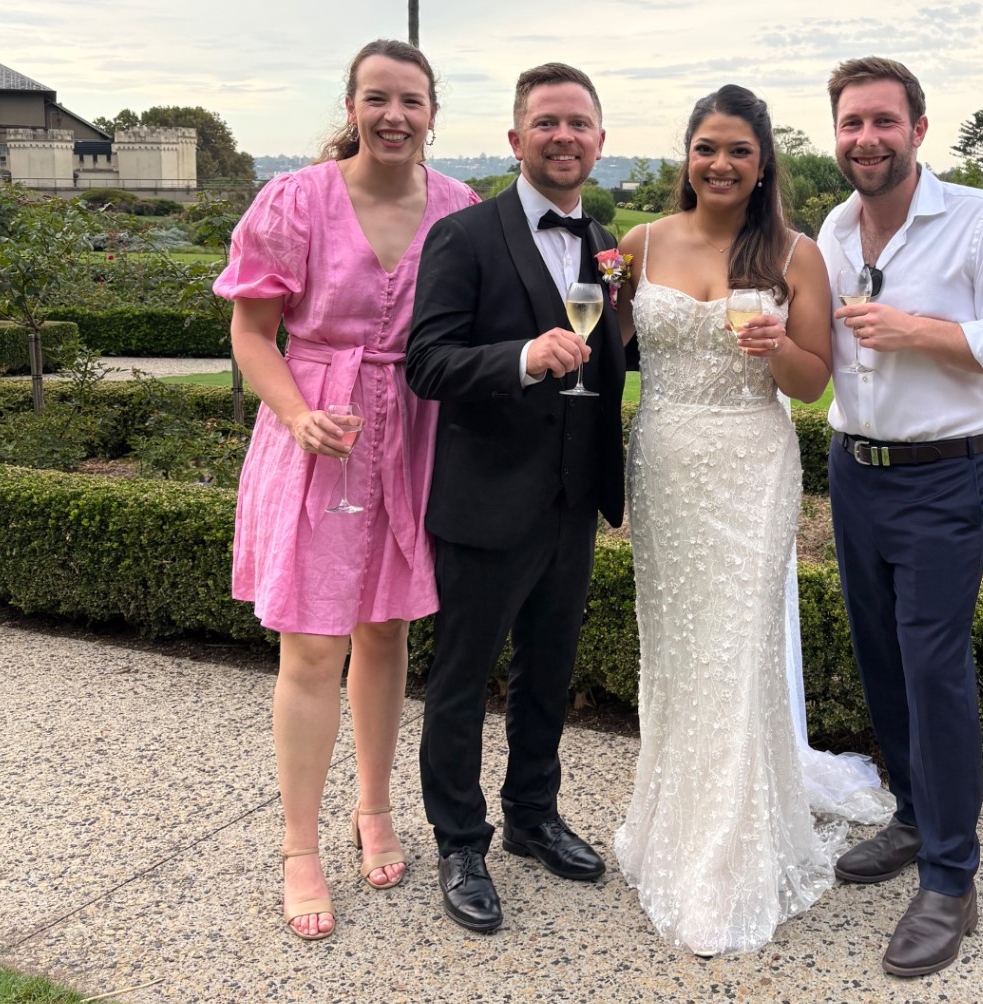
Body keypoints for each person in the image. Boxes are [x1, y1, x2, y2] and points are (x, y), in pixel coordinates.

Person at [213, 39, 479, 941]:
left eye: (411, 100)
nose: (394, 115)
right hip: (318, 433)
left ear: (434, 111)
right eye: (377, 98)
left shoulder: (458, 208)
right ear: (353, 106)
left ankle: (373, 806)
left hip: (414, 432)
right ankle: (298, 846)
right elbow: (253, 335)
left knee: (387, 629)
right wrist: (294, 414)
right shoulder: (292, 200)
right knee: (315, 646)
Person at [818, 57, 983, 977]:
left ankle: (952, 876)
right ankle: (915, 819)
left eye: (883, 120)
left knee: (934, 665)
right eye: (851, 123)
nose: (866, 138)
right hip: (853, 470)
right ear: (836, 135)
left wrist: (921, 330)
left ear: (918, 129)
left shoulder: (980, 220)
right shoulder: (833, 231)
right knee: (880, 657)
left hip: (944, 478)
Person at [611, 84, 850, 957]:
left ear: (762, 166)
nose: (720, 163)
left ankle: (730, 855)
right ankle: (670, 823)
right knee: (678, 646)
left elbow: (813, 380)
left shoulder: (796, 253)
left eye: (738, 151)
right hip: (668, 462)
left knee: (740, 649)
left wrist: (777, 348)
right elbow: (601, 342)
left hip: (753, 465)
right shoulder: (635, 246)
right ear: (687, 155)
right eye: (707, 147)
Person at [405, 63, 630, 935]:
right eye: (546, 123)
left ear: (600, 142)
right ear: (515, 140)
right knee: (462, 680)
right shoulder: (463, 237)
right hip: (485, 499)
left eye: (578, 123)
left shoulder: (607, 243)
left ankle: (533, 816)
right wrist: (518, 359)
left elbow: (609, 356)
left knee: (551, 671)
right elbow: (426, 363)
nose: (563, 136)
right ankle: (460, 840)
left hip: (574, 500)